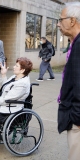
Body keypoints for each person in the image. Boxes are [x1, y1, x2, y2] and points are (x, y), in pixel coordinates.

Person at [57, 2, 80, 160]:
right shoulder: (74, 43)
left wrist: (77, 118)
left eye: (61, 19)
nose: (58, 24)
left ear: (72, 21)